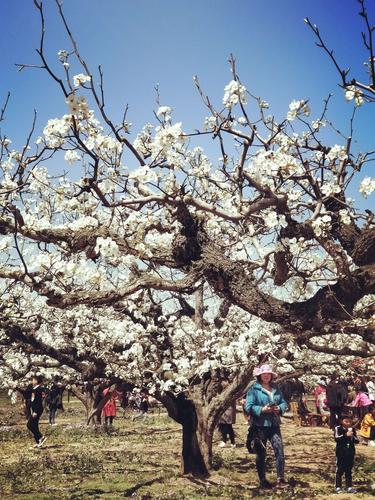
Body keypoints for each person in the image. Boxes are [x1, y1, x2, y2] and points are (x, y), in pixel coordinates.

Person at [245, 364, 289, 490]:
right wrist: (262, 409)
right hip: (260, 426)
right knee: (261, 453)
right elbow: (248, 406)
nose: (266, 376)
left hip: (274, 424)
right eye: (264, 374)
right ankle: (262, 480)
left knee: (279, 451)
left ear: (271, 376)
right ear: (260, 375)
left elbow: (283, 402)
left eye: (268, 374)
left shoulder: (276, 388)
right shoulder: (254, 390)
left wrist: (279, 408)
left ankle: (280, 479)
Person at [334, 413, 359, 494]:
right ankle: (338, 487)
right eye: (346, 421)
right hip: (341, 452)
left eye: (349, 422)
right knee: (340, 469)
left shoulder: (352, 429)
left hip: (350, 452)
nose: (348, 423)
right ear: (342, 421)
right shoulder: (338, 428)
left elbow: (357, 440)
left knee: (348, 470)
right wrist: (345, 435)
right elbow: (337, 438)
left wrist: (352, 436)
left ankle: (349, 486)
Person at [27, 375, 47, 448]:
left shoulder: (38, 389)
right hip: (35, 409)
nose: (32, 381)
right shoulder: (34, 389)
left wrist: (35, 411)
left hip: (37, 409)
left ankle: (41, 437)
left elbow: (38, 401)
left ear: (36, 381)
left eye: (33, 380)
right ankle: (39, 443)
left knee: (29, 424)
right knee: (34, 425)